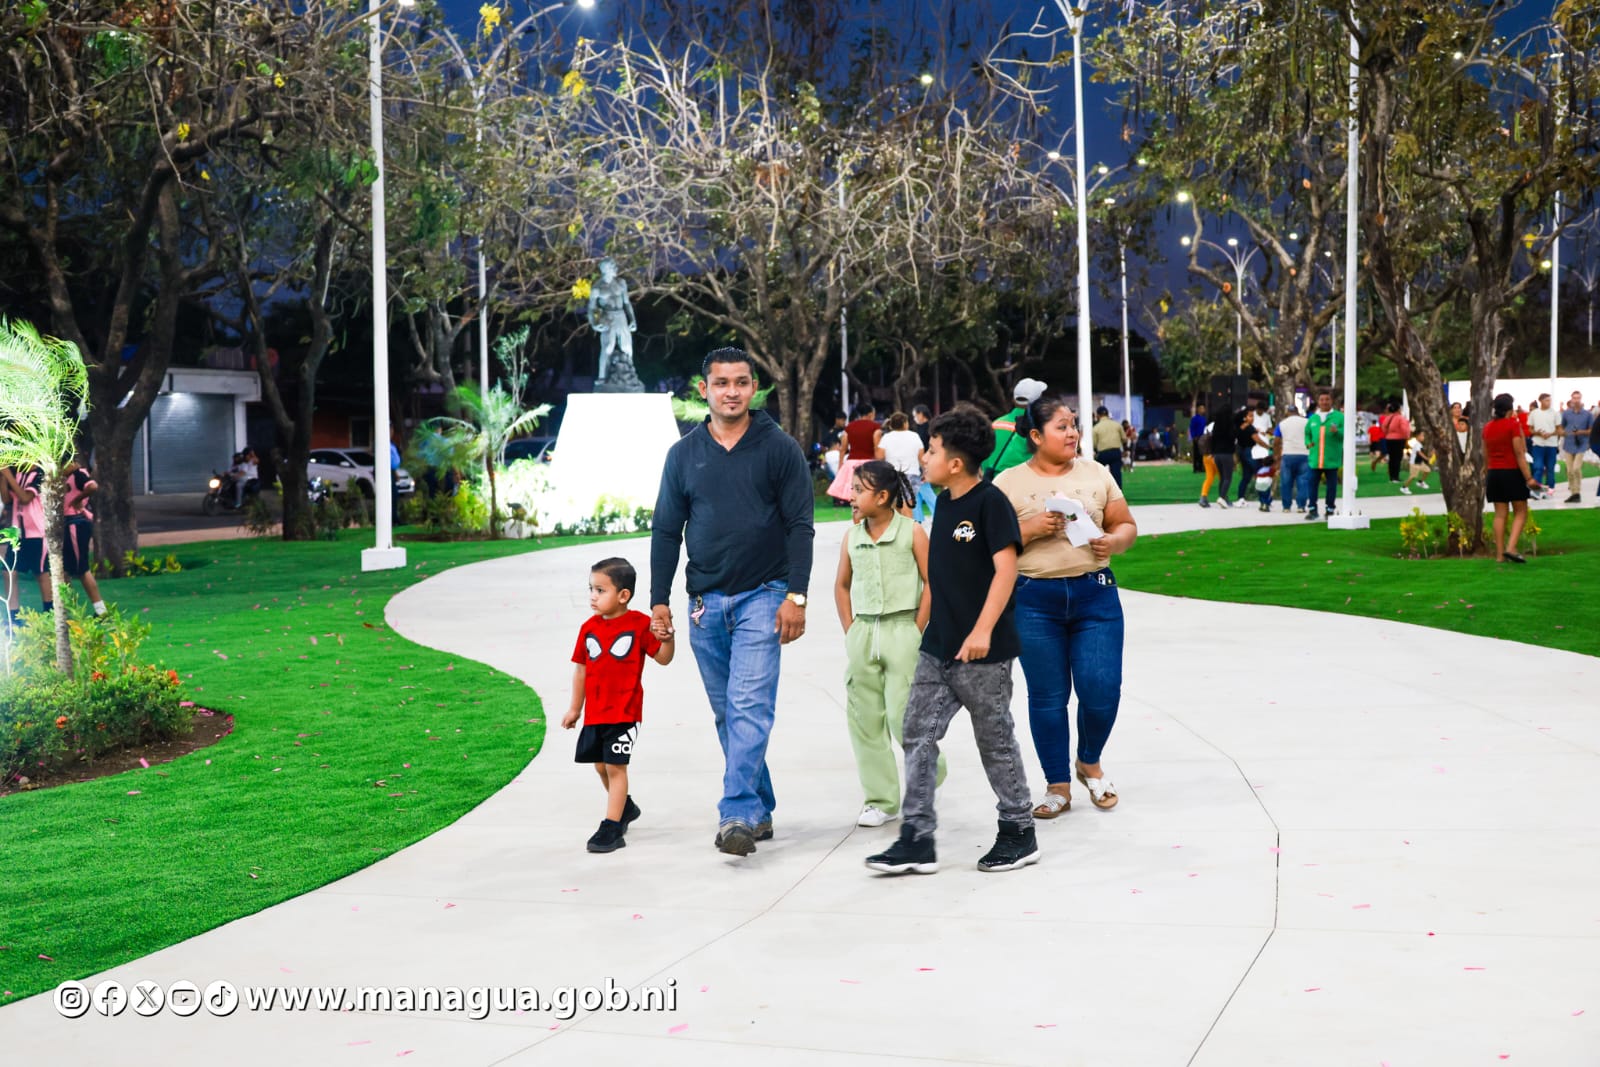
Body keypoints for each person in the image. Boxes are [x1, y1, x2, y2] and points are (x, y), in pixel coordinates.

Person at [650, 347, 814, 857]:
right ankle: (759, 808)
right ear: (704, 389)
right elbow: (665, 531)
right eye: (721, 383)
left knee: (749, 706)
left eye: (741, 382)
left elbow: (800, 526)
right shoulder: (683, 455)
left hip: (764, 594)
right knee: (729, 713)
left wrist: (797, 595)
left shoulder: (779, 448)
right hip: (705, 603)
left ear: (753, 388)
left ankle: (736, 812)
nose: (732, 392)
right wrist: (659, 600)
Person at [864, 405, 1037, 876]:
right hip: (938, 646)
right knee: (916, 733)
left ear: (955, 463)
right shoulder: (943, 505)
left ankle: (1018, 830)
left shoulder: (989, 503)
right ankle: (917, 837)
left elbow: (1006, 570)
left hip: (984, 653)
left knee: (994, 739)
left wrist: (982, 630)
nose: (924, 457)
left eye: (933, 450)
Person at [996, 394, 1137, 821]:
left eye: (1073, 424)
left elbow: (1125, 525)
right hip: (1033, 600)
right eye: (1062, 426)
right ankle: (1057, 784)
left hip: (1096, 595)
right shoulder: (1008, 482)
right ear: (1036, 436)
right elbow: (991, 543)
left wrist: (1113, 541)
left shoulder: (1097, 473)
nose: (1073, 432)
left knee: (1102, 689)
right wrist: (1030, 528)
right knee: (1048, 697)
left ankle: (1089, 762)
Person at [833, 460, 942, 828]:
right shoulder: (852, 537)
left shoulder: (912, 532)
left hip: (902, 630)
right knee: (864, 720)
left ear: (882, 496)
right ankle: (880, 800)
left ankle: (932, 770)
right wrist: (851, 631)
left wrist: (916, 628)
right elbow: (841, 586)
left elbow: (931, 582)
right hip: (863, 633)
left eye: (858, 490)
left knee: (903, 714)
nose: (851, 496)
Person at [562, 557, 674, 853]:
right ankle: (625, 807)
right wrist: (575, 709)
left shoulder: (639, 624)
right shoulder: (588, 628)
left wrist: (667, 639)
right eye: (591, 589)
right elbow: (581, 670)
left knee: (615, 766)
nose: (592, 596)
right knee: (600, 765)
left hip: (625, 712)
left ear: (623, 595)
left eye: (600, 590)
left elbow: (663, 658)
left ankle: (612, 827)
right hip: (596, 713)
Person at [1483, 393, 1541, 563]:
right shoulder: (1513, 425)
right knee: (1521, 511)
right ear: (1510, 409)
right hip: (1512, 471)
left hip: (1494, 472)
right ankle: (1511, 547)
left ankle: (1500, 555)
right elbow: (1519, 453)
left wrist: (1487, 472)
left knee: (1500, 514)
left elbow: (1485, 454)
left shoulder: (1487, 427)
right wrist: (1529, 478)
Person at [61, 458, 108, 616]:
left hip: (75, 522)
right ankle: (68, 610)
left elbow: (92, 486)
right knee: (64, 570)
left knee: (82, 569)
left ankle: (101, 611)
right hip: (68, 523)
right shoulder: (69, 477)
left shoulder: (78, 474)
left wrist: (77, 500)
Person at [2, 466, 51, 614]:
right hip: (17, 532)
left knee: (41, 573)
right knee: (9, 572)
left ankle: (49, 612)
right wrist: (3, 477)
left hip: (36, 532)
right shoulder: (18, 473)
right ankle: (14, 615)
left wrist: (7, 475)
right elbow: (6, 499)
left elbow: (25, 498)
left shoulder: (40, 474)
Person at [982, 378, 1047, 479]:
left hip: (990, 480)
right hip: (1018, 482)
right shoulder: (1038, 428)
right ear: (1037, 402)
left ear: (1013, 399)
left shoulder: (996, 423)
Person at [826, 402, 880, 504]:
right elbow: (877, 448)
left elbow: (843, 448)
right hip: (869, 462)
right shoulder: (875, 427)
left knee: (853, 491)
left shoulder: (850, 427)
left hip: (851, 463)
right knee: (869, 490)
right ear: (870, 414)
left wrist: (841, 465)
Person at [1305, 388, 1344, 520]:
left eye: (1327, 399)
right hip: (1315, 460)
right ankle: (1312, 510)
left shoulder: (1339, 417)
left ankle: (1330, 509)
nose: (1324, 402)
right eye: (1322, 400)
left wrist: (1337, 431)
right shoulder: (1313, 418)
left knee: (1331, 487)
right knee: (1311, 485)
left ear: (1331, 401)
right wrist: (1308, 443)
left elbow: (1346, 434)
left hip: (1331, 459)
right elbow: (1307, 434)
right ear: (1318, 401)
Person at [1558, 391, 1593, 503]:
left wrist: (1580, 432)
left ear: (1581, 399)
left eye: (1578, 398)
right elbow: (1561, 426)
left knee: (1576, 468)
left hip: (1582, 444)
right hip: (1568, 443)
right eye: (1574, 398)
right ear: (1571, 399)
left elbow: (1591, 430)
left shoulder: (1587, 414)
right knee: (1569, 470)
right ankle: (1574, 493)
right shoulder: (1566, 414)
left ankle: (1577, 491)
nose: (1576, 400)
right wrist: (1562, 432)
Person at [1275, 403, 1310, 513]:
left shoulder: (1282, 424)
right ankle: (1301, 506)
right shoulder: (1307, 422)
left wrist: (1277, 455)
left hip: (1288, 454)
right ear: (1297, 412)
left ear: (1287, 412)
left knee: (1286, 482)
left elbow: (1276, 441)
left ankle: (1286, 506)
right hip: (1304, 454)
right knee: (1303, 481)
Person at [1527, 393, 1559, 494]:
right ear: (1541, 401)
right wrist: (1538, 433)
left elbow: (1559, 429)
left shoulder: (1555, 413)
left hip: (1551, 444)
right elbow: (1530, 429)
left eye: (1550, 400)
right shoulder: (1534, 413)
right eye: (1547, 400)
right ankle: (1536, 489)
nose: (1549, 402)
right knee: (1538, 467)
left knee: (1550, 468)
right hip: (1538, 444)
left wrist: (1550, 434)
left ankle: (1550, 489)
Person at [1209, 400, 1238, 509]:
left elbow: (1213, 439)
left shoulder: (1216, 425)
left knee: (1222, 477)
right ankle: (1221, 497)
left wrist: (1213, 452)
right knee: (1227, 478)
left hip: (1217, 454)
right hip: (1227, 453)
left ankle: (1224, 497)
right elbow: (1233, 438)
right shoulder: (1231, 424)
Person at [910, 405, 937, 522]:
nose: (914, 418)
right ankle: (918, 518)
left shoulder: (928, 429)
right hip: (919, 463)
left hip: (924, 462)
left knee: (924, 489)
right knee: (917, 492)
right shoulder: (920, 428)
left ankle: (937, 512)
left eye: (915, 415)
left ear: (921, 414)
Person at [1091, 406, 1126, 487]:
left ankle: (1099, 489)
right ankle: (1118, 491)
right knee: (1116, 475)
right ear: (1107, 414)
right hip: (1116, 452)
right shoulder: (1117, 425)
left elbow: (1094, 443)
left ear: (1098, 415)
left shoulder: (1096, 428)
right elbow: (1124, 439)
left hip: (1103, 453)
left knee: (1097, 472)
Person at [1382, 401, 1411, 483]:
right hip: (1399, 440)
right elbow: (1405, 429)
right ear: (1398, 409)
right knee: (1397, 458)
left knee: (1392, 458)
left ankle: (1392, 477)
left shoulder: (1388, 418)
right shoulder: (1400, 418)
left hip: (1389, 439)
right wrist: (1407, 436)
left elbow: (1383, 428)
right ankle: (1396, 477)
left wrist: (1388, 434)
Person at [1398, 430, 1433, 494]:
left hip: (1420, 463)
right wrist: (1426, 458)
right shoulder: (1417, 444)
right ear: (1417, 436)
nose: (1423, 437)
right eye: (1422, 436)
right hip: (1414, 463)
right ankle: (1404, 488)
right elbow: (1419, 453)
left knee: (1427, 470)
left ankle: (1420, 482)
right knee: (1413, 476)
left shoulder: (1420, 444)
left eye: (1423, 436)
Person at [1196, 421, 1220, 508]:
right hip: (1215, 456)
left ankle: (1203, 497)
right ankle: (1223, 496)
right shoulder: (1218, 425)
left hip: (1206, 456)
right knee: (1222, 477)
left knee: (1209, 478)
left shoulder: (1207, 427)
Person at [1189, 404, 1208, 473]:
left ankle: (1201, 467)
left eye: (1204, 408)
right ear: (1198, 410)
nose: (1203, 410)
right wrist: (1194, 436)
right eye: (1202, 408)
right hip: (1197, 437)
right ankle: (1196, 468)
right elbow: (1192, 428)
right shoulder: (1194, 419)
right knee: (1196, 453)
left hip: (1203, 438)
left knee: (1202, 453)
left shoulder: (1204, 419)